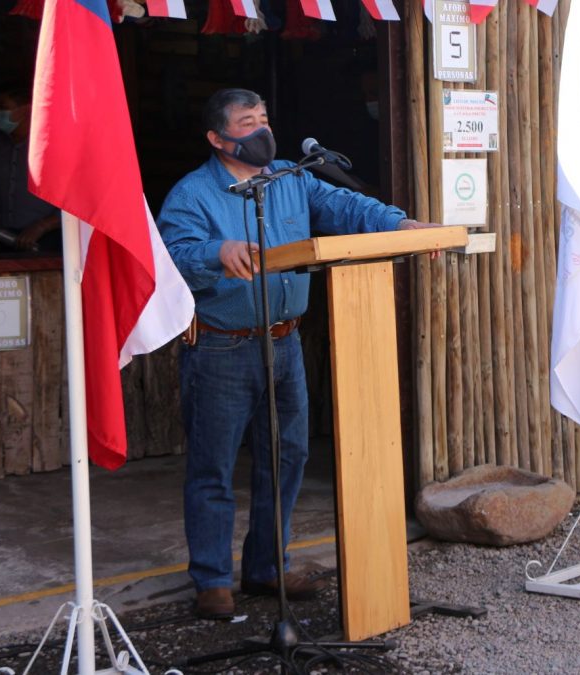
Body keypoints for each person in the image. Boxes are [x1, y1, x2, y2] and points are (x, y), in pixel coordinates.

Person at [158, 88, 438, 619]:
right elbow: (172, 256)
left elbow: (346, 206)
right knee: (213, 467)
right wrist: (217, 253)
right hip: (222, 346)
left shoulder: (292, 178)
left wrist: (401, 225)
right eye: (246, 122)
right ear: (218, 138)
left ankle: (267, 566)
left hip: (284, 342)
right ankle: (212, 579)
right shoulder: (191, 194)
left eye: (264, 118)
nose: (261, 129)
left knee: (287, 457)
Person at [0, 86, 61, 253]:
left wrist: (43, 226)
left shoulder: (53, 148)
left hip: (48, 241)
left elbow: (77, 199)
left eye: (3, 108)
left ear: (26, 109)